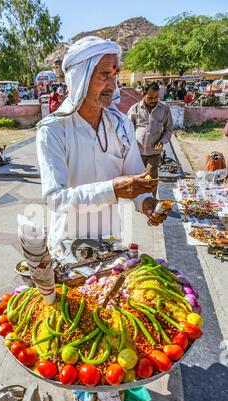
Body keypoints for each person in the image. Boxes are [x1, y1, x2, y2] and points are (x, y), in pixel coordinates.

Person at [37, 36, 167, 251]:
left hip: (110, 242)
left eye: (114, 76)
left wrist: (147, 203)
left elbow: (136, 176)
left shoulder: (122, 125)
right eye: (104, 75)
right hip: (68, 245)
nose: (112, 85)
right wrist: (112, 189)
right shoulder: (53, 130)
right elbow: (55, 198)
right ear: (81, 77)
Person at [128, 81, 173, 195]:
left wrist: (162, 141)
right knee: (138, 179)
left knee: (151, 180)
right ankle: (139, 203)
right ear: (143, 94)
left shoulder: (164, 108)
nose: (154, 100)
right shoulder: (134, 109)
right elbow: (127, 130)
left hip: (154, 153)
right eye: (150, 97)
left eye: (156, 97)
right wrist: (132, 143)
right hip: (137, 153)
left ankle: (152, 203)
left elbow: (168, 129)